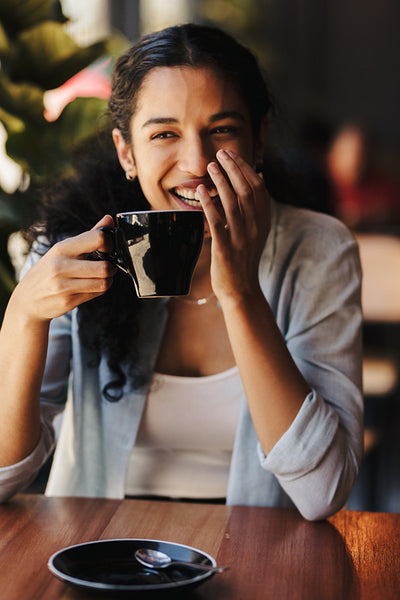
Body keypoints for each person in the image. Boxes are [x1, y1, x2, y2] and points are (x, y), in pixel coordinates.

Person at [0, 24, 363, 520]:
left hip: (262, 556)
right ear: (127, 152)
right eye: (164, 134)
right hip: (100, 549)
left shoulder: (317, 250)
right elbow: (3, 478)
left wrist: (240, 293)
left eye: (221, 130)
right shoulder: (74, 248)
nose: (196, 161)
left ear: (258, 142)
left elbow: (324, 493)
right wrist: (23, 315)